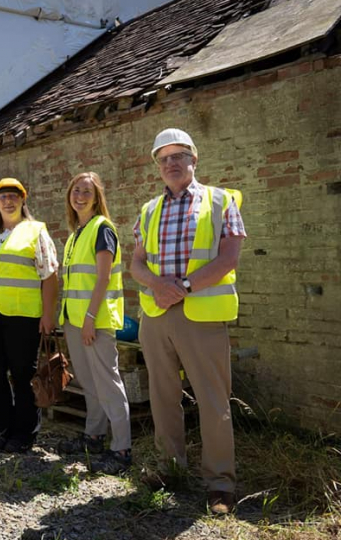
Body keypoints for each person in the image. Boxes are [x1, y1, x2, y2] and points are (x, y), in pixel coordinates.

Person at [130, 128, 246, 515]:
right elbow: (136, 263)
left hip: (201, 314)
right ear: (158, 167)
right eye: (163, 159)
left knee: (213, 401)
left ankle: (219, 484)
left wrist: (180, 286)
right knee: (163, 398)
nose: (171, 163)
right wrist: (157, 286)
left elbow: (228, 259)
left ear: (194, 160)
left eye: (178, 156)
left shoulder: (220, 200)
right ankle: (169, 469)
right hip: (157, 315)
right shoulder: (149, 210)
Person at [0, 178, 58, 453]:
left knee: (22, 376)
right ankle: (2, 429)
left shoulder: (35, 231)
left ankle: (24, 433)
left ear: (23, 200)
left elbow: (50, 275)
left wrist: (48, 314)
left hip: (23, 315)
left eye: (14, 196)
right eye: (3, 196)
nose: (8, 201)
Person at [55, 172, 131, 474]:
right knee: (88, 382)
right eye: (75, 190)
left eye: (87, 191)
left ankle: (122, 449)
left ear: (97, 198)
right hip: (75, 321)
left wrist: (88, 319)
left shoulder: (102, 229)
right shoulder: (76, 234)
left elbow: (102, 277)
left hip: (94, 321)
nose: (80, 196)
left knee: (108, 383)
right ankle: (95, 435)